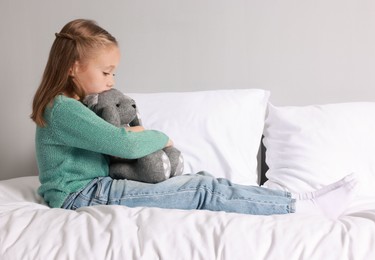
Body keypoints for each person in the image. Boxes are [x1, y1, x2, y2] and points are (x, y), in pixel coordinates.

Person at [31, 19, 357, 219]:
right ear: (73, 67)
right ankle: (298, 209)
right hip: (82, 197)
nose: (111, 81)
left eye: (113, 72)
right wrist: (162, 138)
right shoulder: (61, 110)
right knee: (201, 190)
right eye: (106, 72)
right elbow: (123, 145)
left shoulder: (77, 105)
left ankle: (293, 199)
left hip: (96, 187)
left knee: (202, 179)